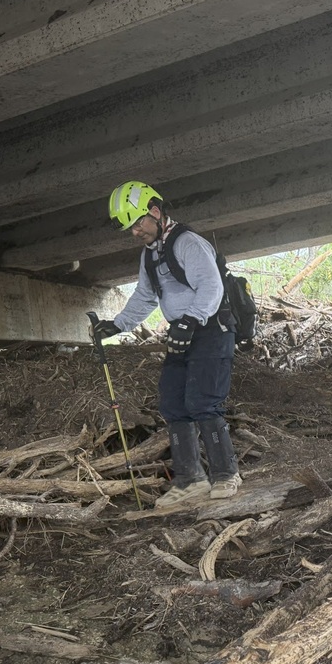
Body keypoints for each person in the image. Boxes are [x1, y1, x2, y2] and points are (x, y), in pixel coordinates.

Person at [90, 181, 242, 508]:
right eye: (130, 227)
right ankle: (190, 480)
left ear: (155, 213)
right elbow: (145, 297)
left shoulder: (188, 243)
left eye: (138, 223)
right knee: (173, 402)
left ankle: (227, 473)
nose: (135, 232)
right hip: (182, 332)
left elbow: (211, 288)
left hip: (210, 328)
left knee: (203, 401)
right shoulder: (149, 255)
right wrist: (116, 324)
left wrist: (189, 321)